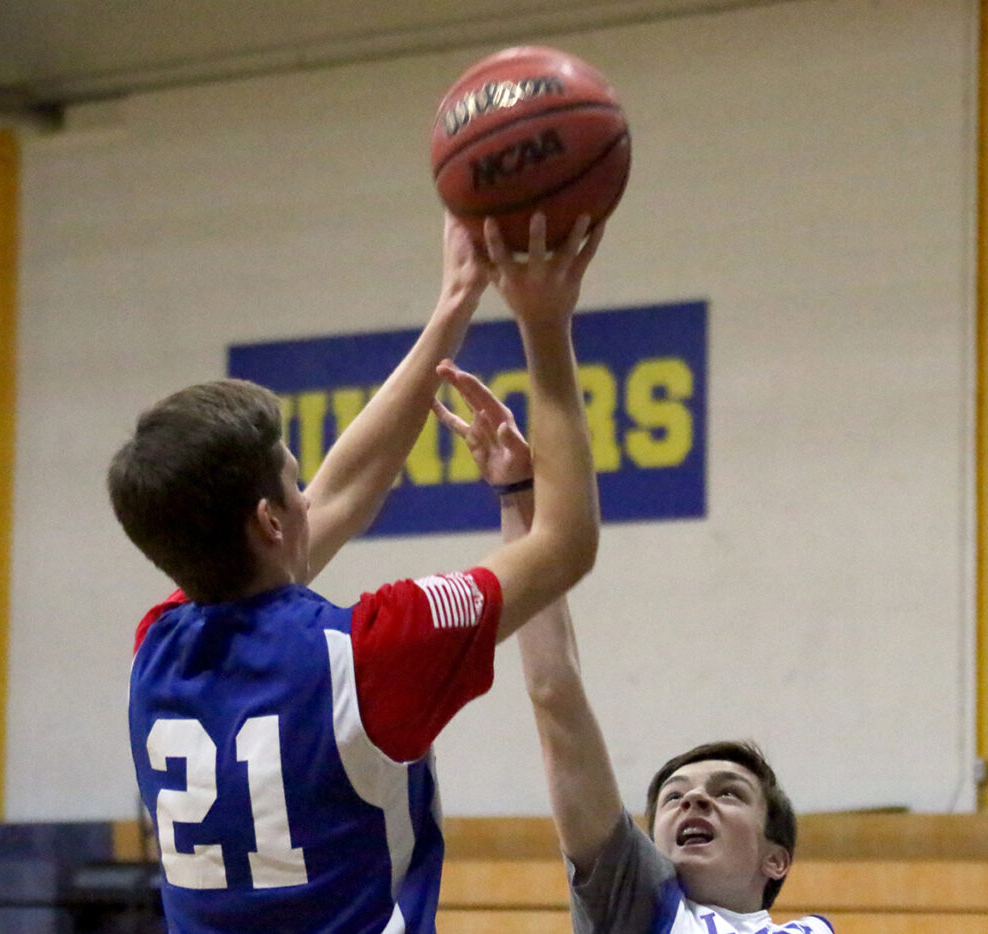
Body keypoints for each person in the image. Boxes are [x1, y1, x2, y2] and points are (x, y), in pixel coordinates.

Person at [107, 211, 603, 934]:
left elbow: (344, 492)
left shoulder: (155, 647)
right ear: (270, 521)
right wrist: (545, 322)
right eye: (293, 482)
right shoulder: (369, 654)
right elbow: (566, 543)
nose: (310, 496)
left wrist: (456, 301)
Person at [434, 370, 835, 934]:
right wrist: (518, 498)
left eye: (729, 794)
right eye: (674, 797)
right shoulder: (638, 905)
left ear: (776, 859)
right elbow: (555, 692)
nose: (695, 802)